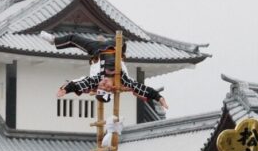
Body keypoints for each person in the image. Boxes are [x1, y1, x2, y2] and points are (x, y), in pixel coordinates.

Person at [39, 32, 169, 110]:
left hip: (96, 50)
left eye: (101, 85)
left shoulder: (96, 81)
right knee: (122, 39)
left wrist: (65, 89)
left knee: (73, 38)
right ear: (111, 89)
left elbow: (79, 84)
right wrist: (159, 97)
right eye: (106, 87)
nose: (103, 83)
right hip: (114, 48)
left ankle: (54, 41)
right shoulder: (122, 80)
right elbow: (142, 88)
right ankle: (121, 45)